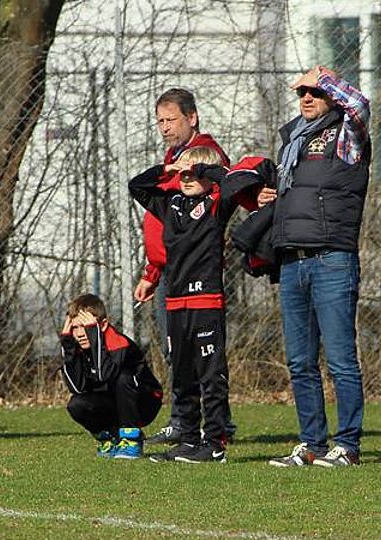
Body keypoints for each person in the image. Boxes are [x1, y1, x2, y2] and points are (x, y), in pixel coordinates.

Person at [259, 66, 371, 467]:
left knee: (340, 360)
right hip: (293, 261)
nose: (306, 97)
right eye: (302, 92)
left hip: (332, 260)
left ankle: (348, 446)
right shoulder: (293, 141)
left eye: (315, 92)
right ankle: (312, 444)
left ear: (331, 95)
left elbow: (359, 105)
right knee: (300, 362)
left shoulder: (346, 135)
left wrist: (325, 78)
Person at [129, 147, 264, 463]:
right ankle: (188, 440)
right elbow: (137, 186)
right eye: (183, 173)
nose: (187, 177)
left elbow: (233, 180)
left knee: (210, 375)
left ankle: (215, 442)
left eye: (194, 172)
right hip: (176, 303)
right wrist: (168, 169)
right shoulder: (170, 204)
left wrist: (205, 169)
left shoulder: (217, 202)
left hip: (206, 301)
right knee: (182, 376)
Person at [137, 88, 238, 446]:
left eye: (171, 119)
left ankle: (213, 427)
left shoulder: (205, 155)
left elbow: (227, 187)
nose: (164, 127)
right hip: (168, 273)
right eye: (160, 121)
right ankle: (185, 422)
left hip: (196, 278)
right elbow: (159, 214)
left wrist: (196, 169)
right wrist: (152, 272)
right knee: (176, 353)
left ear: (192, 118)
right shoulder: (173, 158)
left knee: (203, 359)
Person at [61, 294, 163, 459]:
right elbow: (77, 387)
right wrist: (67, 346)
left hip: (145, 401)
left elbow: (105, 375)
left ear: (102, 325)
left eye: (85, 326)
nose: (80, 333)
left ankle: (132, 440)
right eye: (75, 328)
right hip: (113, 400)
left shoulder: (117, 342)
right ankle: (110, 438)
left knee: (123, 377)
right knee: (76, 404)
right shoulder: (78, 347)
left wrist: (94, 336)